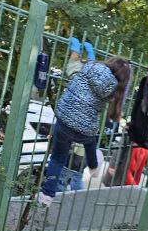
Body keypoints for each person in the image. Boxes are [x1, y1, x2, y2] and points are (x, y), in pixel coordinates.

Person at [38, 55, 132, 207]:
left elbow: (74, 70)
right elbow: (115, 104)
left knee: (57, 159)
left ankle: (46, 196)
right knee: (90, 142)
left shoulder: (90, 66)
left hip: (64, 120)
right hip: (85, 127)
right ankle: (94, 167)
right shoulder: (114, 88)